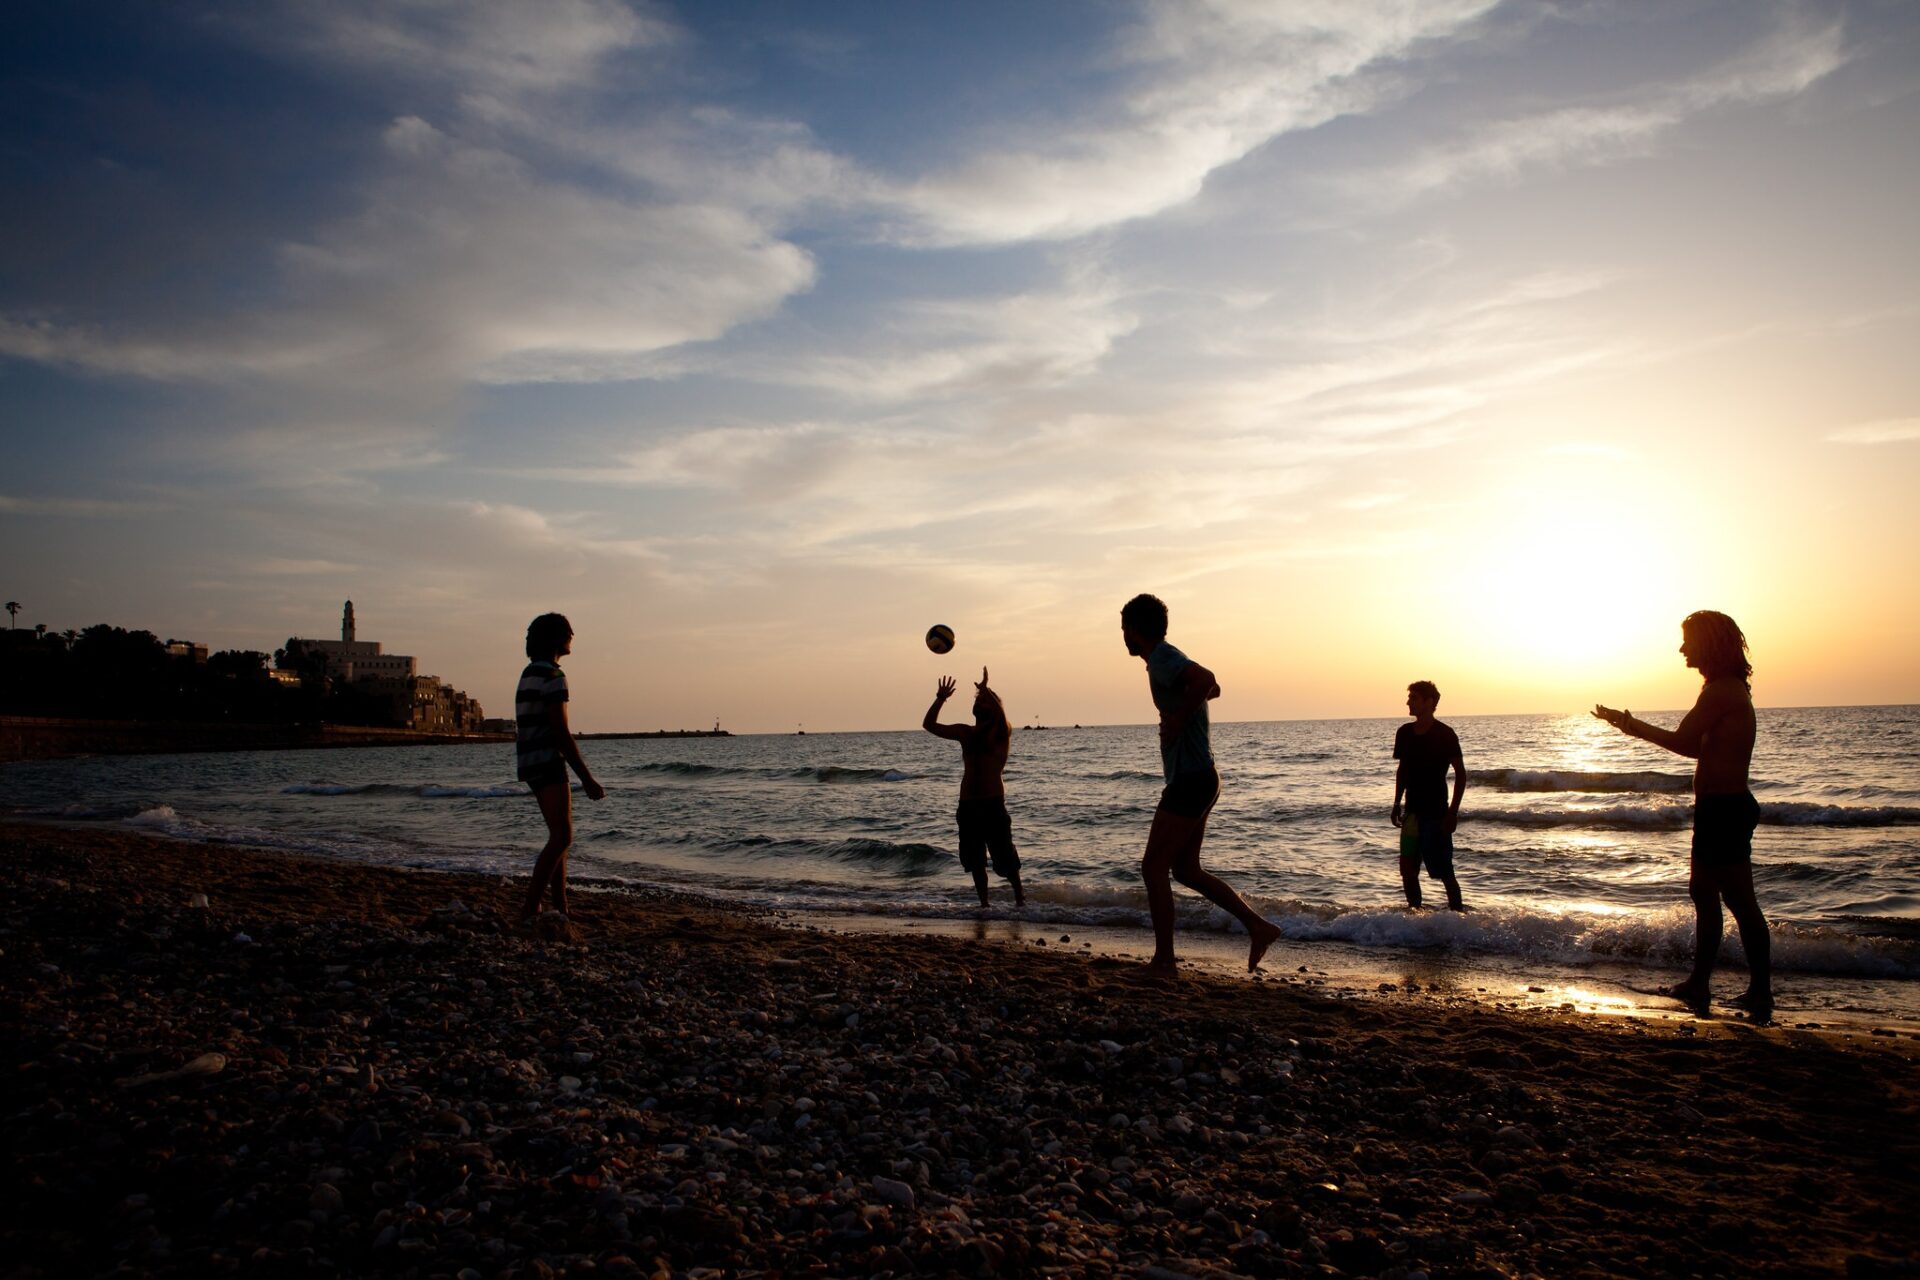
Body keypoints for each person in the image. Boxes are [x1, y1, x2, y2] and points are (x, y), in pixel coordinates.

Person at [1595, 610, 1771, 1020]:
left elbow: (1681, 741)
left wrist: (1630, 724)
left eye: (1688, 641)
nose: (1682, 649)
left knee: (1741, 903)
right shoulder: (1723, 689)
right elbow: (1696, 749)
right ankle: (1700, 982)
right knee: (1704, 896)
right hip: (1717, 809)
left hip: (1726, 810)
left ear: (1708, 644)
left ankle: (1760, 990)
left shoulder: (1721, 691)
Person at [1120, 593, 1280, 974]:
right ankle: (1258, 926)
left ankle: (1164, 960)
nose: (1122, 636)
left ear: (1135, 630)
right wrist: (1183, 709)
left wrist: (1176, 717)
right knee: (1186, 870)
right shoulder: (1164, 659)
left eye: (1124, 628)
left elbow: (1207, 681)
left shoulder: (1160, 656)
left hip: (1192, 778)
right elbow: (1214, 688)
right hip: (1201, 775)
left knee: (1153, 868)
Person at [516, 612, 606, 927]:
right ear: (558, 639)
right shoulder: (554, 677)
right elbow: (561, 733)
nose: (573, 637)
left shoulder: (529, 672)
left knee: (558, 836)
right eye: (569, 632)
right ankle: (530, 908)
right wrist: (587, 779)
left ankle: (561, 908)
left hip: (528, 761)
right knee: (563, 837)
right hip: (546, 761)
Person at [923, 667, 1025, 909]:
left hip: (993, 804)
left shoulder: (1000, 733)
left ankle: (1020, 900)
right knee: (975, 860)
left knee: (1005, 859)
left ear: (993, 707)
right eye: (978, 699)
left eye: (984, 701)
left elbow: (1000, 713)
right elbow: (929, 724)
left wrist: (986, 689)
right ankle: (984, 905)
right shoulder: (965, 733)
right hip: (968, 806)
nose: (980, 701)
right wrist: (940, 698)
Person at [1390, 680, 1466, 911]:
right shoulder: (1404, 733)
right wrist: (1396, 803)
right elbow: (1402, 770)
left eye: (1414, 698)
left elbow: (1460, 774)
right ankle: (1415, 917)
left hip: (1436, 814)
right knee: (1408, 871)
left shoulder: (1444, 734)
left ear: (1429, 702)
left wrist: (1452, 813)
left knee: (1444, 872)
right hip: (1412, 812)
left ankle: (1458, 921)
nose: (1408, 702)